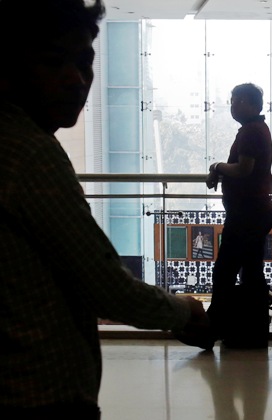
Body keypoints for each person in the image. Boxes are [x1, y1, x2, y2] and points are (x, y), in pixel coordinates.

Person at [0, 1, 209, 418]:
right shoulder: (29, 154)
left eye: (84, 62)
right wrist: (185, 312)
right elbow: (106, 287)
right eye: (53, 61)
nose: (76, 80)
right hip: (42, 396)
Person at [205, 83, 272, 348]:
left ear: (247, 102)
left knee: (224, 271)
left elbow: (244, 169)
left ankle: (211, 329)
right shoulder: (258, 129)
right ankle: (249, 331)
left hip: (247, 214)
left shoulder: (250, 132)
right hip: (255, 212)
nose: (231, 105)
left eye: (234, 100)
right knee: (251, 273)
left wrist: (217, 166)